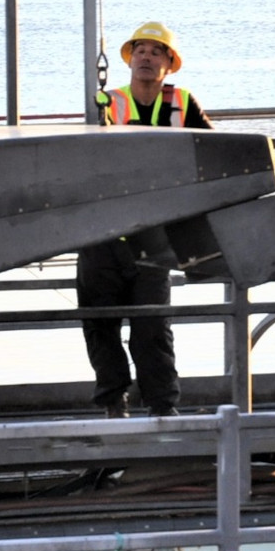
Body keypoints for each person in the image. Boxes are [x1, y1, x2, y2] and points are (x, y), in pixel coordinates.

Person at [80, 21, 212, 418]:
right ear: (129, 58)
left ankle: (161, 407)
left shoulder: (184, 104)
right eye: (140, 50)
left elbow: (212, 152)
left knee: (152, 327)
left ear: (169, 64)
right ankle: (113, 403)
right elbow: (78, 158)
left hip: (154, 234)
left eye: (156, 51)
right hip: (102, 231)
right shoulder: (107, 102)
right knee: (100, 324)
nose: (146, 57)